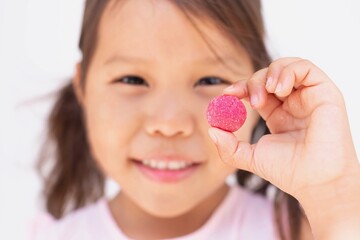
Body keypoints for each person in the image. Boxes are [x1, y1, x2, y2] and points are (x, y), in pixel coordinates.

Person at [30, 0, 360, 239]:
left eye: (208, 80)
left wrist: (332, 195)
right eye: (132, 80)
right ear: (83, 87)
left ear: (260, 92)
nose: (170, 124)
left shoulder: (303, 231)